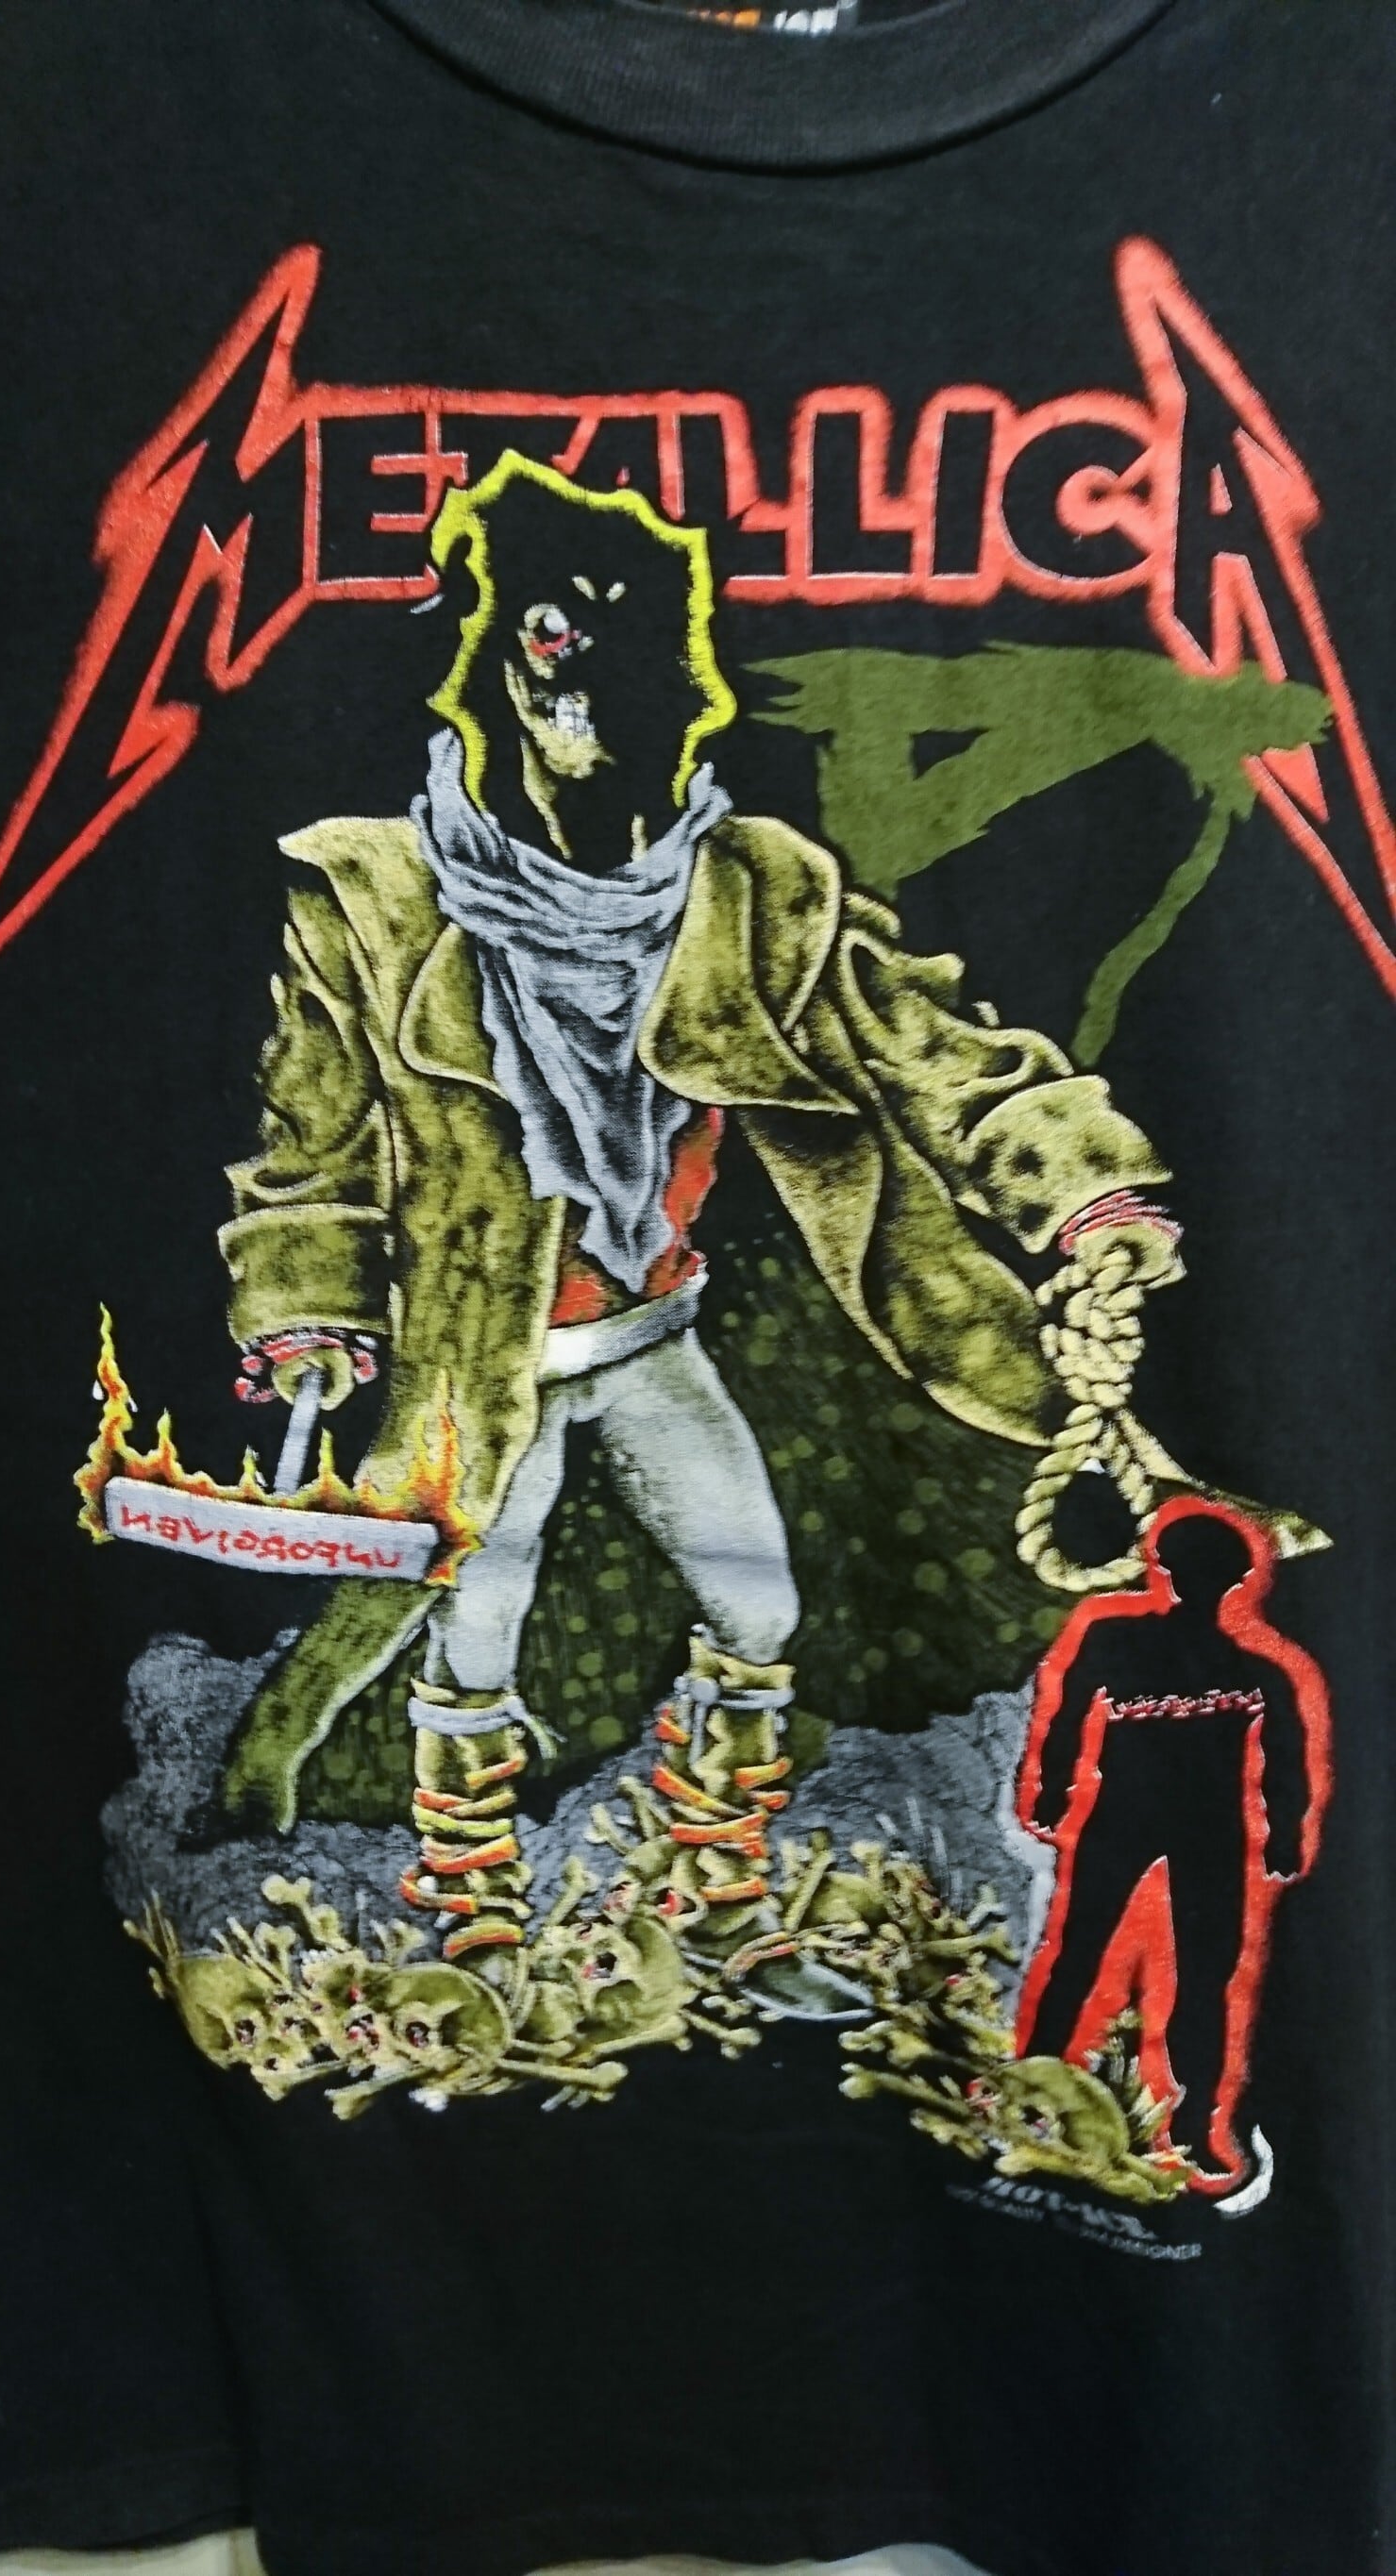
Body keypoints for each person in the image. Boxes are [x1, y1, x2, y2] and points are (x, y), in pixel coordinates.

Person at [216, 450, 1186, 1974]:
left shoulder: (751, 892)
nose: (576, 696)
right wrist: (307, 1319)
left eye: (617, 651)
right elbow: (314, 1142)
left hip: (653, 1331)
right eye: (546, 640)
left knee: (760, 1600)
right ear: (489, 669)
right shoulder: (375, 899)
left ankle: (715, 1878)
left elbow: (935, 1050)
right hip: (483, 1361)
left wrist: (1087, 1197)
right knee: (475, 1626)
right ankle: (471, 1897)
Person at [1015, 1499, 1332, 2189]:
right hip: (1159, 1822)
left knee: (1170, 1971)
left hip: (1184, 1827)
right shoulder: (1146, 1644)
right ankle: (1053, 2090)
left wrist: (1052, 1791)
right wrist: (1050, 1789)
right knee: (1115, 1961)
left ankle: (1186, 2126)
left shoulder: (1240, 1667)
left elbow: (1285, 1757)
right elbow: (1068, 1711)